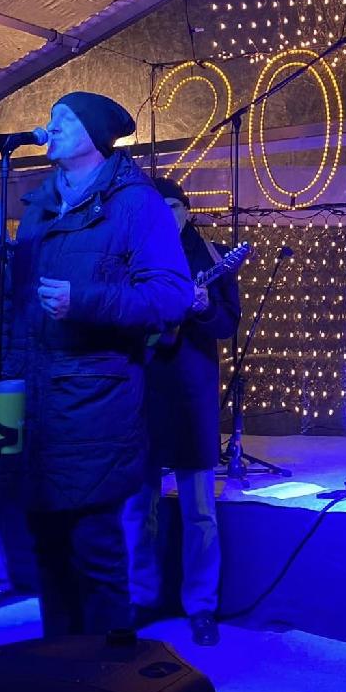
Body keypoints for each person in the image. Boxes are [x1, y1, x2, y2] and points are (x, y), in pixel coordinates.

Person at [0, 91, 193, 638]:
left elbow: (173, 296)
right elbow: (10, 314)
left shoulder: (136, 204)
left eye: (64, 119)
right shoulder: (39, 208)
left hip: (95, 407)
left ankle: (106, 676)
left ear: (95, 134)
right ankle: (58, 671)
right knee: (46, 553)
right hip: (33, 411)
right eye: (50, 118)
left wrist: (85, 301)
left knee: (95, 553)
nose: (51, 127)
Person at [121, 177, 240, 647]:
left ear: (187, 211)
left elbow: (227, 324)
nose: (166, 216)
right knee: (139, 506)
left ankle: (201, 606)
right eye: (157, 207)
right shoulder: (132, 256)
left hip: (192, 394)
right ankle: (141, 597)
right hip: (143, 390)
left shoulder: (212, 256)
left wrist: (205, 307)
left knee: (200, 510)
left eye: (172, 206)